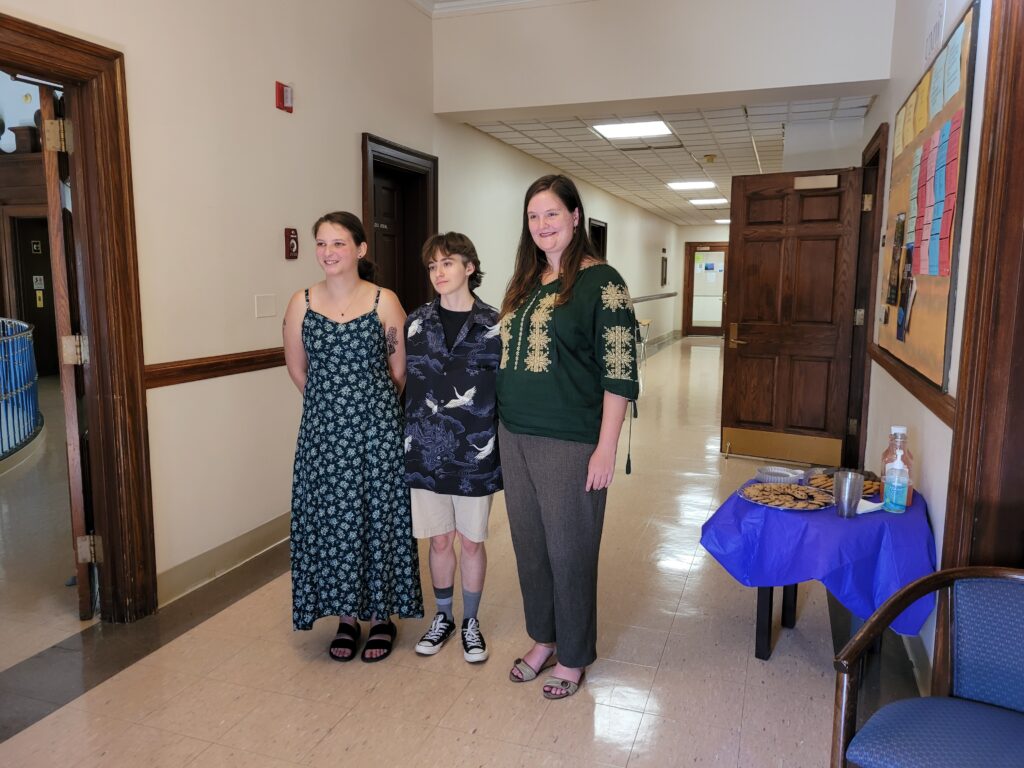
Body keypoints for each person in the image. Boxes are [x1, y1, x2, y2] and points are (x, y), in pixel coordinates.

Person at [497, 175, 639, 699]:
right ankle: (544, 638)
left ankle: (574, 655)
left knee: (570, 550)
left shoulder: (604, 283)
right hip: (514, 435)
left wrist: (606, 447)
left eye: (552, 214)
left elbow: (620, 372)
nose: (542, 226)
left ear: (576, 217)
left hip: (570, 440)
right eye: (533, 216)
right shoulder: (525, 282)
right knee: (530, 548)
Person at [282, 211, 422, 663]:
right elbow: (298, 371)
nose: (328, 252)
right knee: (333, 522)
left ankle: (381, 617)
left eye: (338, 243)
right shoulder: (300, 302)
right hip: (323, 437)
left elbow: (398, 372)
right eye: (321, 243)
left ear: (361, 250)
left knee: (377, 520)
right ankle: (346, 618)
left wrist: (367, 408)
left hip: (377, 434)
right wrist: (335, 409)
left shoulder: (385, 301)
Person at [404, 232, 502, 663]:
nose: (438, 273)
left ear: (469, 268)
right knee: (439, 541)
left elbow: (507, 392)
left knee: (472, 541)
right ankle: (442, 616)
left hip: (474, 454)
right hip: (425, 451)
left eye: (447, 263)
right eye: (432, 266)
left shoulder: (496, 324)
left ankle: (471, 622)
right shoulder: (414, 323)